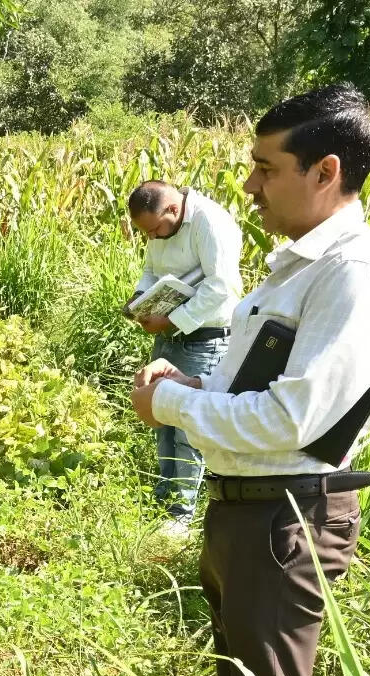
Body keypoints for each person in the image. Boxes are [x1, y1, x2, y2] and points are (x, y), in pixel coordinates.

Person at [129, 84, 370, 676]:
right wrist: (191, 392)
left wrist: (176, 405)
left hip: (289, 516)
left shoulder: (351, 275)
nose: (249, 186)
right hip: (247, 509)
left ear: (325, 171)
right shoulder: (297, 267)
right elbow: (256, 388)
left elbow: (294, 421)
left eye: (263, 168)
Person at [126, 179, 243, 533]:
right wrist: (140, 297)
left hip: (204, 337)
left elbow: (222, 285)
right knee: (161, 415)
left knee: (188, 426)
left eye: (156, 230)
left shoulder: (210, 221)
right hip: (168, 333)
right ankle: (164, 494)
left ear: (173, 210)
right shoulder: (160, 228)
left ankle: (182, 513)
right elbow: (152, 271)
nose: (154, 238)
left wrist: (172, 319)